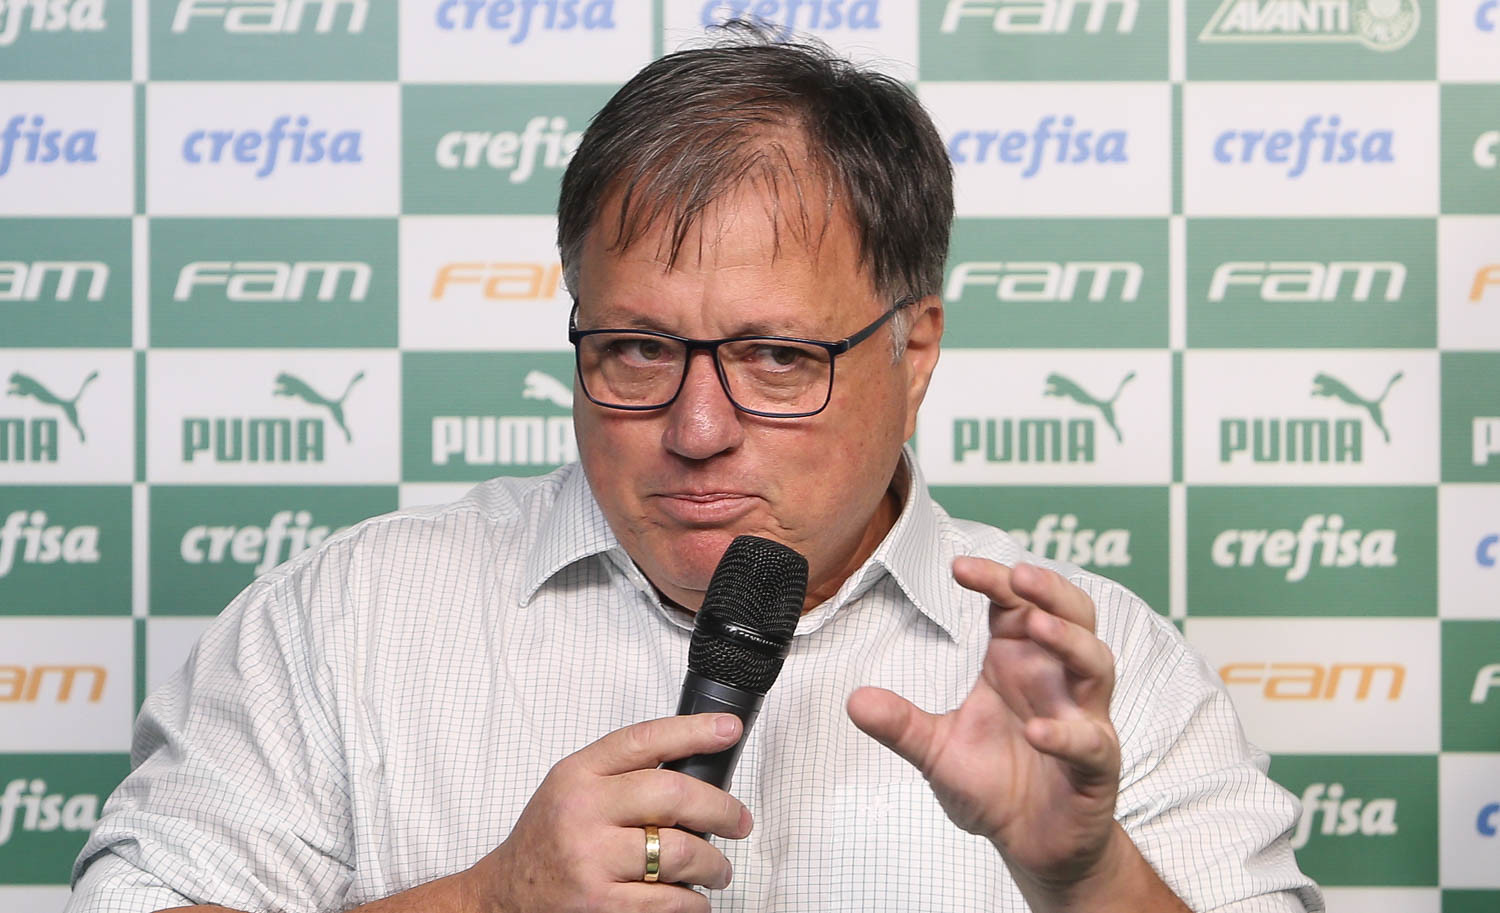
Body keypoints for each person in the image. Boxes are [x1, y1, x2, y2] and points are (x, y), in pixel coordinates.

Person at [67, 26, 1324, 913]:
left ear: (917, 344)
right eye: (635, 349)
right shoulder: (342, 621)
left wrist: (1086, 881)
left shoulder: (1095, 680)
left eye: (778, 356)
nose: (697, 425)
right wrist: (487, 903)